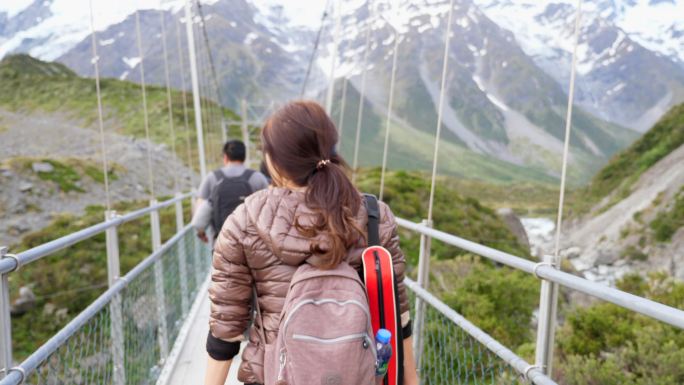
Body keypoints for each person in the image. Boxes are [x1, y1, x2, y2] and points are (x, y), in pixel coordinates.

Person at [204, 101, 419, 385]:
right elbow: (396, 313)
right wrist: (411, 380)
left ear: (273, 161)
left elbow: (226, 330)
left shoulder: (244, 220)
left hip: (272, 374)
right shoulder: (373, 215)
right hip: (356, 375)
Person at [191, 140, 269, 242]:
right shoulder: (257, 177)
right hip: (253, 243)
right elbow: (268, 207)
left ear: (225, 157)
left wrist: (200, 232)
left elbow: (200, 206)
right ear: (244, 157)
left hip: (220, 242)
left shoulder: (212, 177)